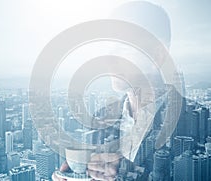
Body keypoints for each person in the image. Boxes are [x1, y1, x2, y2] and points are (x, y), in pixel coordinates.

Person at [53, 1, 174, 180]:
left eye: (122, 48)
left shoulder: (193, 129)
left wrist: (123, 175)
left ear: (157, 55)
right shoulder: (102, 119)